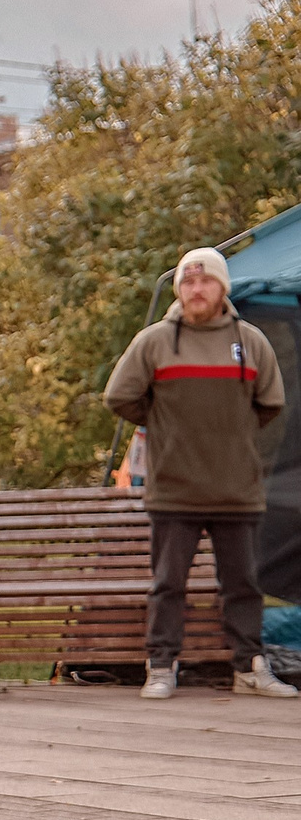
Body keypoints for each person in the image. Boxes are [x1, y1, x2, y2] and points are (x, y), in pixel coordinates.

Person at [104, 245, 296, 700]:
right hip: (174, 491)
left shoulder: (250, 342)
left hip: (238, 490)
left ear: (221, 287)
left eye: (205, 280)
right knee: (168, 584)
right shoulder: (153, 342)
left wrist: (230, 435)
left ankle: (249, 668)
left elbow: (270, 404)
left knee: (244, 585)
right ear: (179, 290)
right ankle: (162, 666)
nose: (196, 289)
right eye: (188, 282)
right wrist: (166, 426)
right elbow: (120, 397)